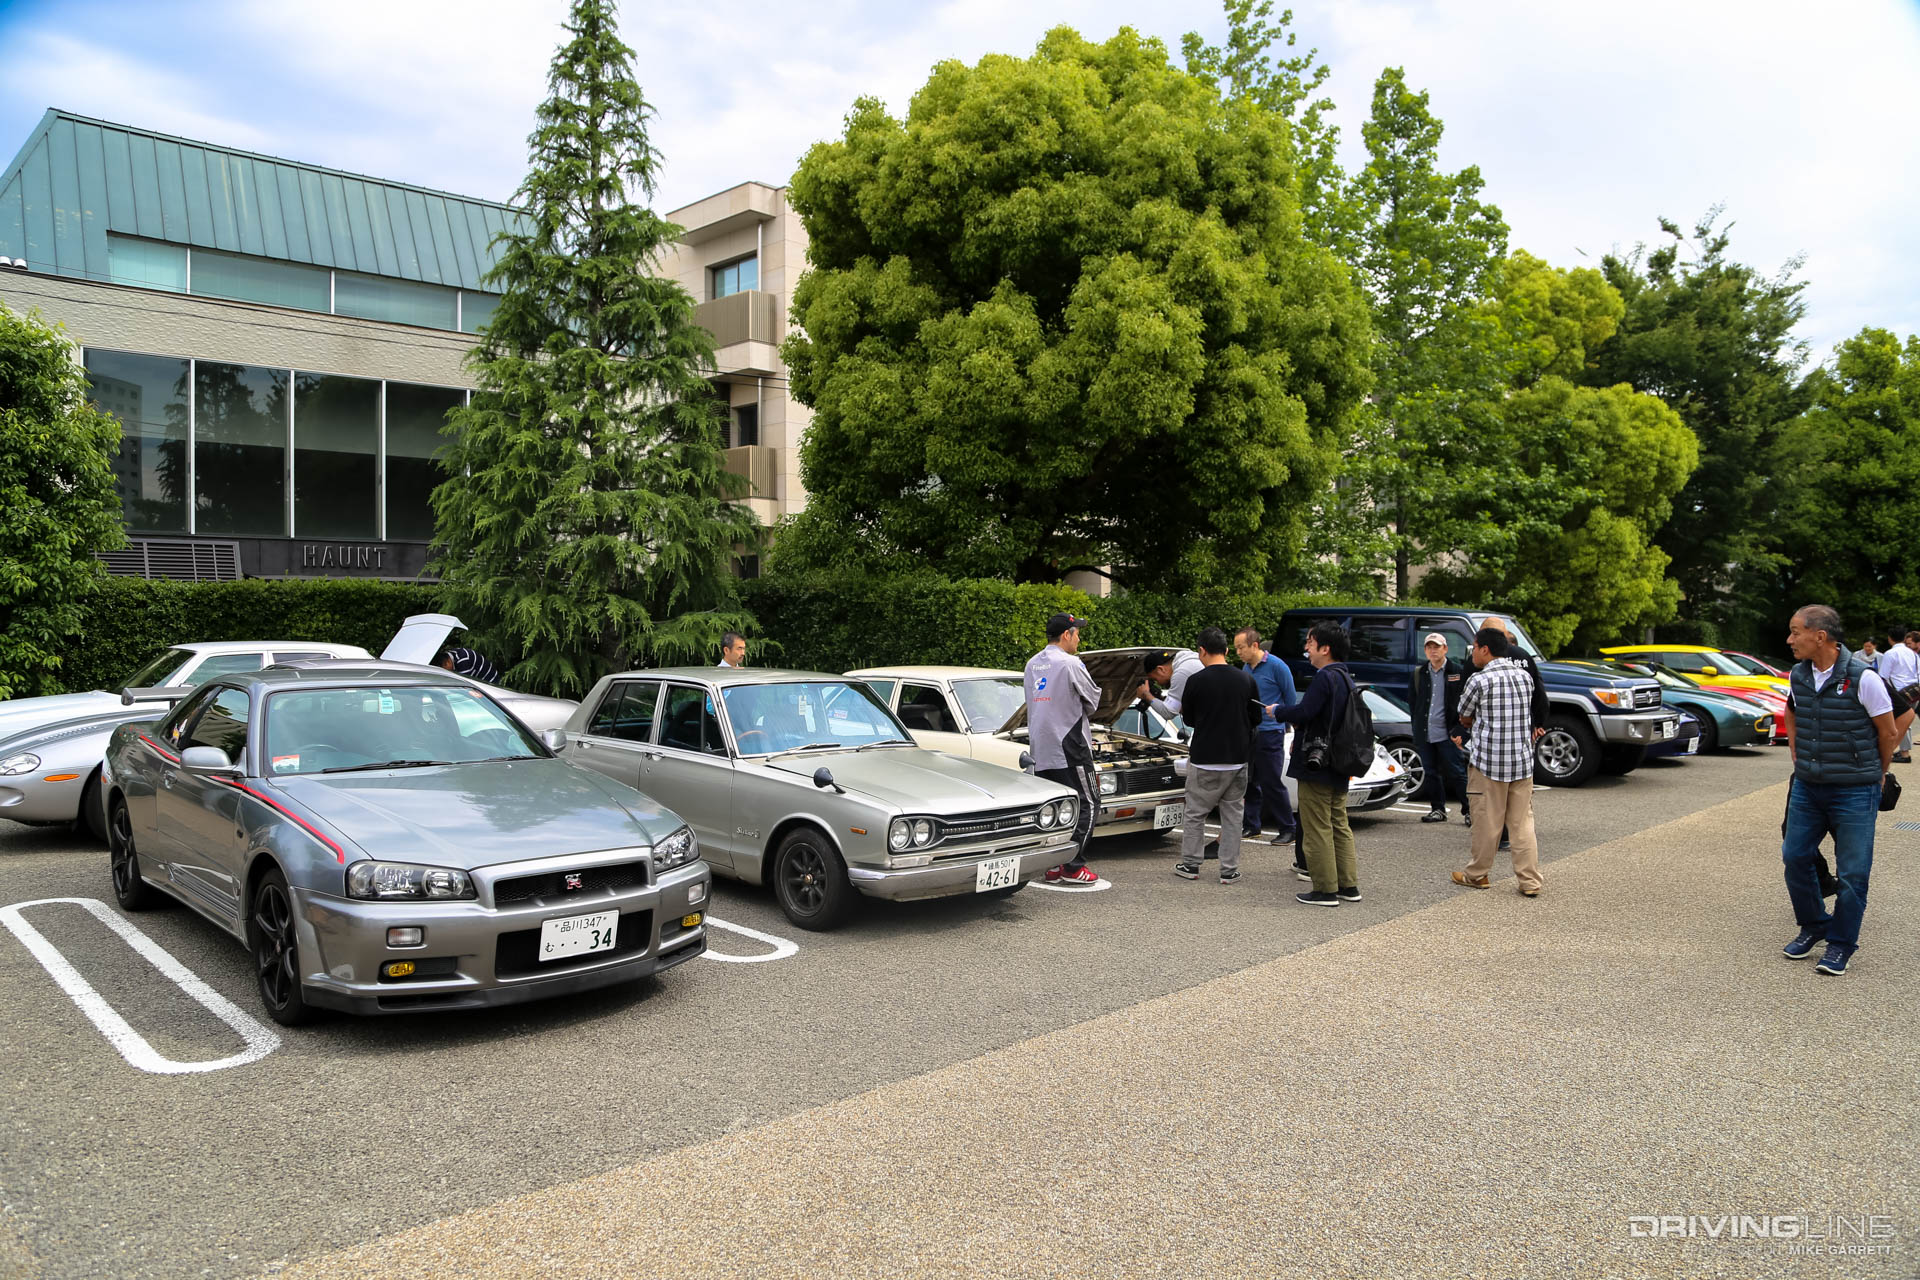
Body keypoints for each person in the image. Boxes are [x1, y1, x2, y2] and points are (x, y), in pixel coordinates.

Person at [1779, 605, 1896, 976]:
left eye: (1795, 631)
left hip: (1855, 791)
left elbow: (1889, 732)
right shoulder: (1799, 674)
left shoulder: (1864, 678)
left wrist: (1878, 774)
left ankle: (1841, 944)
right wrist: (1795, 750)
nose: (1790, 639)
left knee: (1852, 873)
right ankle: (1814, 924)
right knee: (1795, 857)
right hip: (1808, 786)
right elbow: (1792, 711)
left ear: (1820, 636)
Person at [1265, 621, 1362, 906]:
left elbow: (1306, 711)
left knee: (1317, 826)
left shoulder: (1324, 677)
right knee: (1338, 824)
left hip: (1317, 762)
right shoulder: (1345, 676)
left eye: (1310, 642)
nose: (1306, 648)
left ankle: (1325, 890)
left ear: (1325, 648)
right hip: (1340, 761)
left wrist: (1278, 711)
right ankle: (1347, 885)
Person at [1451, 628, 1545, 897]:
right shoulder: (1524, 677)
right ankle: (1530, 881)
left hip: (1488, 763)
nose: (1473, 653)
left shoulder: (1479, 680)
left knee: (1486, 822)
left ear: (1485, 649)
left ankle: (1477, 874)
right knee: (1522, 824)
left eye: (1474, 647)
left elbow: (1464, 715)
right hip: (1521, 762)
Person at [1172, 628, 1262, 884]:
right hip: (1237, 757)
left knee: (1196, 813)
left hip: (1205, 757)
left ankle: (1190, 865)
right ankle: (1228, 870)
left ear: (1202, 651)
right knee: (1233, 816)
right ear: (1226, 650)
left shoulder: (1196, 681)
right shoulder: (1246, 680)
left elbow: (1189, 719)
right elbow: (1256, 718)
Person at [1023, 612, 1102, 887]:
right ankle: (1073, 866)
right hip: (1070, 747)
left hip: (1040, 747)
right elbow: (1092, 701)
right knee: (1088, 804)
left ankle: (1053, 866)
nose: (1078, 639)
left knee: (1055, 809)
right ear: (1066, 635)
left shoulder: (1032, 664)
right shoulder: (1071, 663)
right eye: (1077, 633)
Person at [1234, 627, 1297, 844]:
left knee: (1271, 781)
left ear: (1254, 645)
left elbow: (1290, 699)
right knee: (1250, 780)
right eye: (1236, 648)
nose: (1238, 653)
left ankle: (1288, 828)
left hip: (1271, 731)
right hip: (1250, 730)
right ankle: (1252, 825)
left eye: (1241, 648)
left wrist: (1289, 727)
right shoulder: (1246, 668)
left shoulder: (1277, 666)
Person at [1410, 632, 1469, 823]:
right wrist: (1416, 727)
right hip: (1425, 732)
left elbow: (1465, 703)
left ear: (1445, 649)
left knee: (1457, 772)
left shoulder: (1457, 671)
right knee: (1430, 772)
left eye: (1436, 646)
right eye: (1429, 647)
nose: (1432, 650)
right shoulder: (1419, 673)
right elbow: (1413, 703)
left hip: (1449, 733)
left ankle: (1470, 811)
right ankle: (1437, 809)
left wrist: (1460, 730)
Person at [1138, 647, 1204, 717]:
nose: (1158, 684)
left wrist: (1146, 694)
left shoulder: (1180, 673)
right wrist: (1161, 698)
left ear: (1161, 669)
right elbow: (1177, 706)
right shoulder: (1190, 661)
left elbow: (1168, 713)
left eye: (1155, 679)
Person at [435, 646, 501, 686]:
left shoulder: (463, 661)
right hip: (479, 680)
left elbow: (464, 684)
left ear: (447, 662)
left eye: (445, 670)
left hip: (490, 681)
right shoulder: (452, 655)